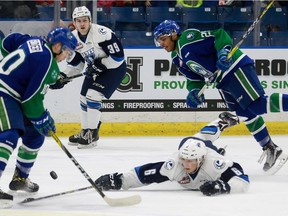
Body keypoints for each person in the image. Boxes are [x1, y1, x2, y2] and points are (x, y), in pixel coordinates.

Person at [153, 20, 288, 174]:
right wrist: (194, 92)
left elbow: (218, 35)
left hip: (234, 67)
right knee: (244, 113)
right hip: (221, 80)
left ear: (174, 34)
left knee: (256, 104)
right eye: (159, 41)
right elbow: (194, 79)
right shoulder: (177, 58)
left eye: (163, 39)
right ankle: (270, 148)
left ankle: (271, 147)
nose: (162, 44)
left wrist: (223, 51)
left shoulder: (187, 40)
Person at [0, 27, 77, 209]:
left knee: (35, 134)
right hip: (4, 92)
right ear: (57, 46)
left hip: (13, 93)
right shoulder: (48, 61)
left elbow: (11, 40)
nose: (67, 56)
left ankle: (20, 178)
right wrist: (43, 118)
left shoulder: (36, 42)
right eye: (67, 51)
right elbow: (31, 100)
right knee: (10, 135)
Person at [95, 111, 250, 196]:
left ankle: (223, 121)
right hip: (192, 145)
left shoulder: (215, 163)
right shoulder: (175, 164)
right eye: (184, 159)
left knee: (204, 136)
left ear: (201, 159)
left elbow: (242, 180)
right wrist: (120, 180)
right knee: (197, 138)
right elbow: (146, 173)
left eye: (191, 160)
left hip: (209, 152)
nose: (186, 164)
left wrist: (223, 186)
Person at [62, 6, 126, 149]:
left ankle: (92, 133)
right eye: (78, 21)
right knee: (83, 97)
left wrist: (100, 65)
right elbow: (76, 64)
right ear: (74, 22)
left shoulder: (102, 33)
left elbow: (118, 57)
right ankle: (85, 130)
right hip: (95, 69)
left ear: (90, 20)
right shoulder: (73, 38)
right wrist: (64, 76)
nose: (82, 24)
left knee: (93, 95)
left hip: (113, 69)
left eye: (85, 20)